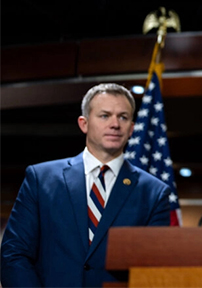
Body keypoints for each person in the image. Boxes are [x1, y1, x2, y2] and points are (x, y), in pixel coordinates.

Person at [1, 83, 172, 287]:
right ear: (84, 123)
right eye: (104, 115)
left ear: (132, 128)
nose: (115, 124)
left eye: (123, 117)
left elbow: (154, 268)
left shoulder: (154, 192)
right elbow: (14, 254)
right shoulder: (40, 178)